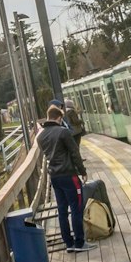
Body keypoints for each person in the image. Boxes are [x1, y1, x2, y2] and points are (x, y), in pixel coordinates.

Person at [39, 105, 88, 253]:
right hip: (69, 175)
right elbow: (75, 153)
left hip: (54, 177)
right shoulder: (63, 132)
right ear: (59, 118)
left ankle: (68, 243)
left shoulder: (40, 136)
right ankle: (79, 243)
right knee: (76, 208)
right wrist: (82, 171)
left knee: (62, 210)